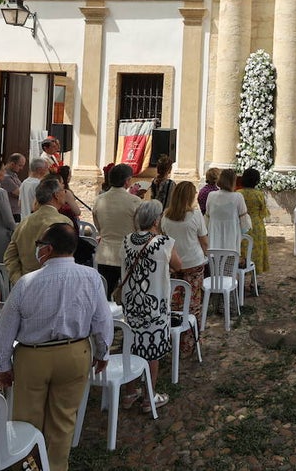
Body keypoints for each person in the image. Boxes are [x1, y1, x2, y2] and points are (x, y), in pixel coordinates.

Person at [0, 223, 112, 471]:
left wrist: (2, 363)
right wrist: (103, 351)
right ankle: (57, 466)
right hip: (75, 352)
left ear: (47, 249)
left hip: (33, 356)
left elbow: (4, 328)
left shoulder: (26, 283)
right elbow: (102, 319)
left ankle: (30, 466)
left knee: (27, 419)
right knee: (64, 418)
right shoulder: (91, 278)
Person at [119, 201, 182, 412]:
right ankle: (149, 397)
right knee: (152, 350)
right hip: (154, 303)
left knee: (132, 345)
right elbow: (178, 265)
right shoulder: (163, 242)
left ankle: (129, 393)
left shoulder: (127, 240)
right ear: (156, 220)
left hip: (131, 303)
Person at [160, 180, 208, 357]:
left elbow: (164, 239)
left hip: (173, 264)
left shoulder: (165, 216)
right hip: (193, 262)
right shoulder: (195, 215)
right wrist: (207, 254)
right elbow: (203, 239)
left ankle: (172, 340)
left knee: (173, 302)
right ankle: (190, 341)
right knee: (193, 303)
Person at [3, 177, 71, 284]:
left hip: (27, 281)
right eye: (64, 190)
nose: (66, 193)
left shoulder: (24, 222)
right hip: (53, 283)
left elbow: (9, 256)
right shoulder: (63, 223)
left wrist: (18, 280)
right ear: (56, 195)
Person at [93, 163, 142, 297]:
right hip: (128, 253)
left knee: (104, 295)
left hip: (104, 253)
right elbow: (139, 228)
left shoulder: (99, 199)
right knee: (129, 295)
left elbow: (98, 226)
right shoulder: (135, 201)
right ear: (127, 181)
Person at [205, 168, 249, 253]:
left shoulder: (211, 195)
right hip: (231, 237)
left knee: (215, 264)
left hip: (214, 236)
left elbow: (207, 219)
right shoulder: (238, 197)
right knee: (230, 263)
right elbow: (244, 224)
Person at [239, 168, 270, 277]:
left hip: (241, 224)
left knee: (242, 250)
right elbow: (264, 212)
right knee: (256, 252)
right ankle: (254, 281)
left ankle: (240, 278)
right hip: (256, 225)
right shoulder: (259, 194)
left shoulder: (238, 194)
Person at [0, 153, 26, 221]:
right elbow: (19, 193)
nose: (21, 168)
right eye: (20, 165)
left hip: (16, 211)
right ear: (12, 164)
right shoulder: (6, 177)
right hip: (12, 212)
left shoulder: (13, 174)